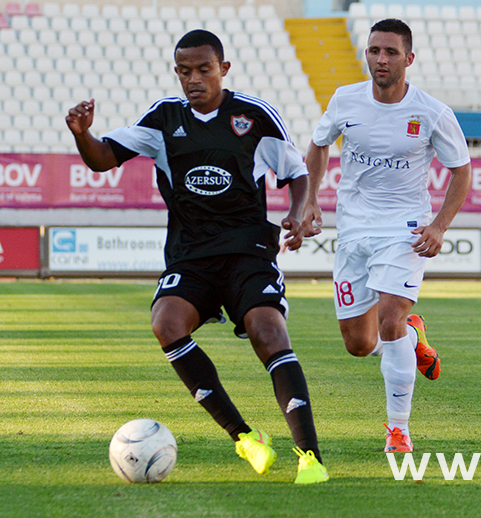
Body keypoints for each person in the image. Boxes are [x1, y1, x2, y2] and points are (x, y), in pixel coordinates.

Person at [65, 29, 328, 484]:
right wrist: (83, 134)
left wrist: (299, 211)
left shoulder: (255, 117)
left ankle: (310, 457)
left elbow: (296, 171)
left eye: (204, 69)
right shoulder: (163, 120)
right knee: (166, 323)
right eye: (184, 71)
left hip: (248, 251)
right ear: (176, 73)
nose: (194, 79)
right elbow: (104, 158)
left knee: (267, 330)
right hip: (191, 257)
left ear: (223, 69)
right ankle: (245, 439)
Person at [301, 18, 472, 453]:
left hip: (405, 228)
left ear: (408, 59)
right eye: (375, 50)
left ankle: (398, 429)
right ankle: (413, 338)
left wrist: (438, 226)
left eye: (391, 52)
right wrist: (310, 199)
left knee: (389, 320)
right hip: (354, 228)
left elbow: (461, 171)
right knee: (359, 344)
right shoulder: (345, 100)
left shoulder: (432, 112)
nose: (381, 58)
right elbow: (319, 144)